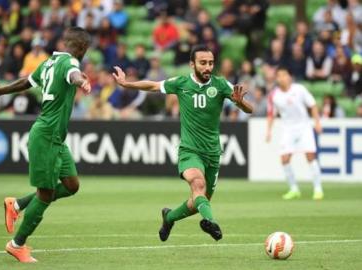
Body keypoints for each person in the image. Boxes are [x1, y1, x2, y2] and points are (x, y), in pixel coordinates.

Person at [0, 27, 91, 263]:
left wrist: (0, 90)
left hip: (54, 138)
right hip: (47, 135)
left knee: (71, 185)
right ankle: (17, 244)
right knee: (46, 194)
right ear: (82, 49)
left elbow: (26, 82)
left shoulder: (48, 63)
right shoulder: (70, 63)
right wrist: (82, 82)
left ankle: (16, 205)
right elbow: (73, 75)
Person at [112, 45, 253, 241]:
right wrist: (127, 84)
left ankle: (169, 217)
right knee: (198, 183)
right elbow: (153, 85)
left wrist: (240, 103)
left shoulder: (221, 85)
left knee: (198, 201)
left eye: (211, 63)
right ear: (192, 64)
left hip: (212, 153)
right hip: (189, 150)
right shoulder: (181, 83)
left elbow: (249, 109)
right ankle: (210, 222)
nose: (207, 67)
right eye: (203, 63)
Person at [266, 67, 324, 200]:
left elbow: (312, 105)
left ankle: (318, 189)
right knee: (284, 159)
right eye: (279, 76)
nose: (282, 78)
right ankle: (294, 189)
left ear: (290, 77)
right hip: (288, 129)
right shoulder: (274, 95)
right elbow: (271, 114)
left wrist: (317, 122)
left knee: (310, 156)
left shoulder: (299, 89)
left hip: (304, 127)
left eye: (284, 75)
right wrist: (268, 131)